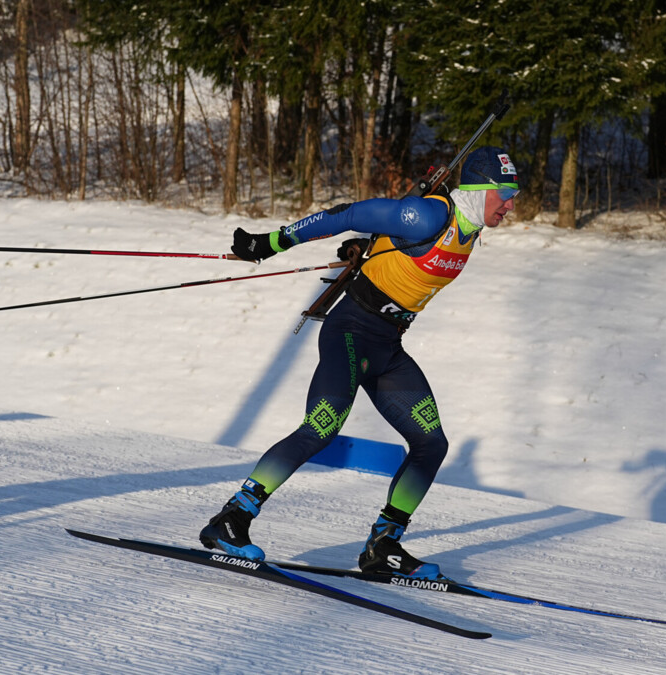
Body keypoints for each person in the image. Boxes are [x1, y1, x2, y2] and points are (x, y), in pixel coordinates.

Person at [200, 146, 519, 579]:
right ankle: (231, 519)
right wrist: (269, 243)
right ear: (480, 191)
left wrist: (375, 245)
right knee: (322, 426)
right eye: (505, 193)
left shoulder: (469, 225)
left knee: (431, 443)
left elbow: (395, 251)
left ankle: (383, 545)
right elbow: (347, 213)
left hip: (388, 347)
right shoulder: (429, 217)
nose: (510, 204)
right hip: (351, 333)